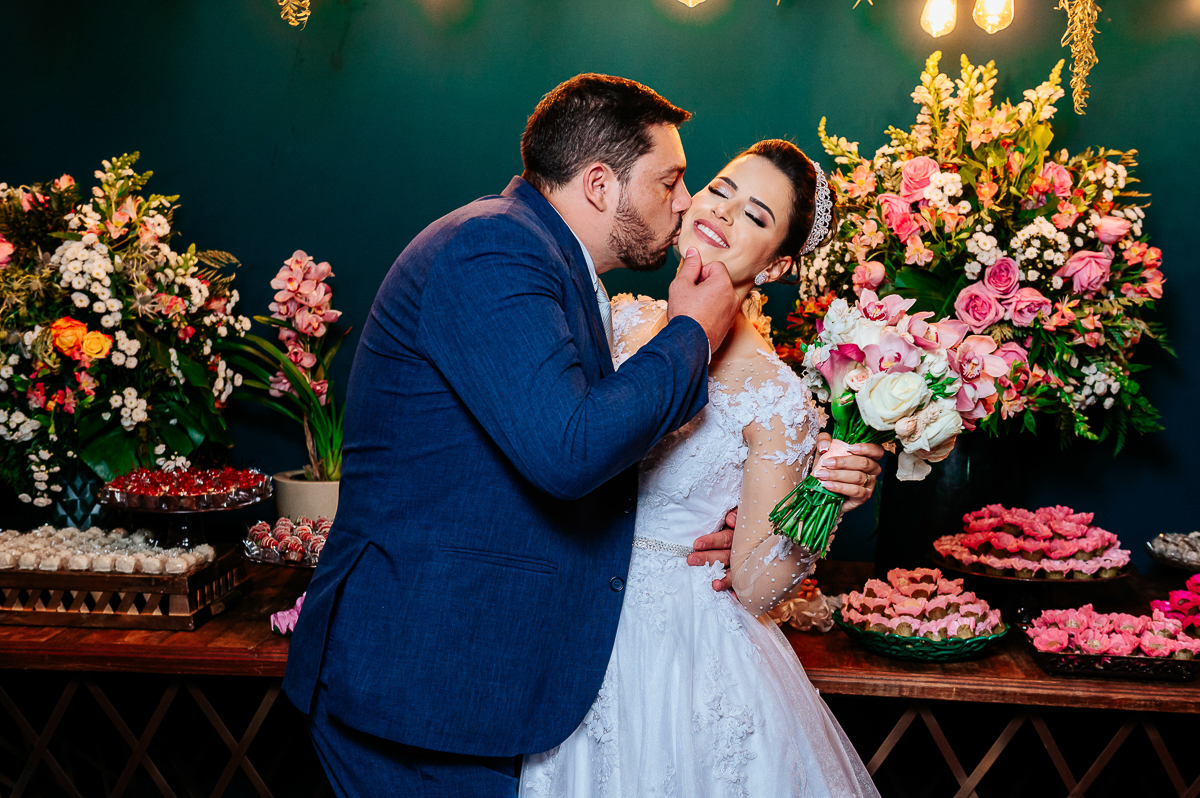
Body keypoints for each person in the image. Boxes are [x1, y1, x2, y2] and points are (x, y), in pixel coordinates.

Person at [282, 74, 881, 798]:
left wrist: (777, 510)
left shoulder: (563, 274)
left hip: (568, 670)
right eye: (679, 182)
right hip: (427, 681)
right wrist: (695, 329)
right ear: (600, 185)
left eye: (748, 212)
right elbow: (571, 450)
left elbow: (607, 471)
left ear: (781, 263)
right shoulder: (499, 254)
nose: (692, 204)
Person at [519, 140, 883, 797]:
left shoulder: (776, 396)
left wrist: (814, 503)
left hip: (688, 657)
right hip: (571, 633)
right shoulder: (613, 317)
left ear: (777, 266)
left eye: (757, 216)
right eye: (721, 189)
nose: (725, 212)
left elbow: (756, 586)